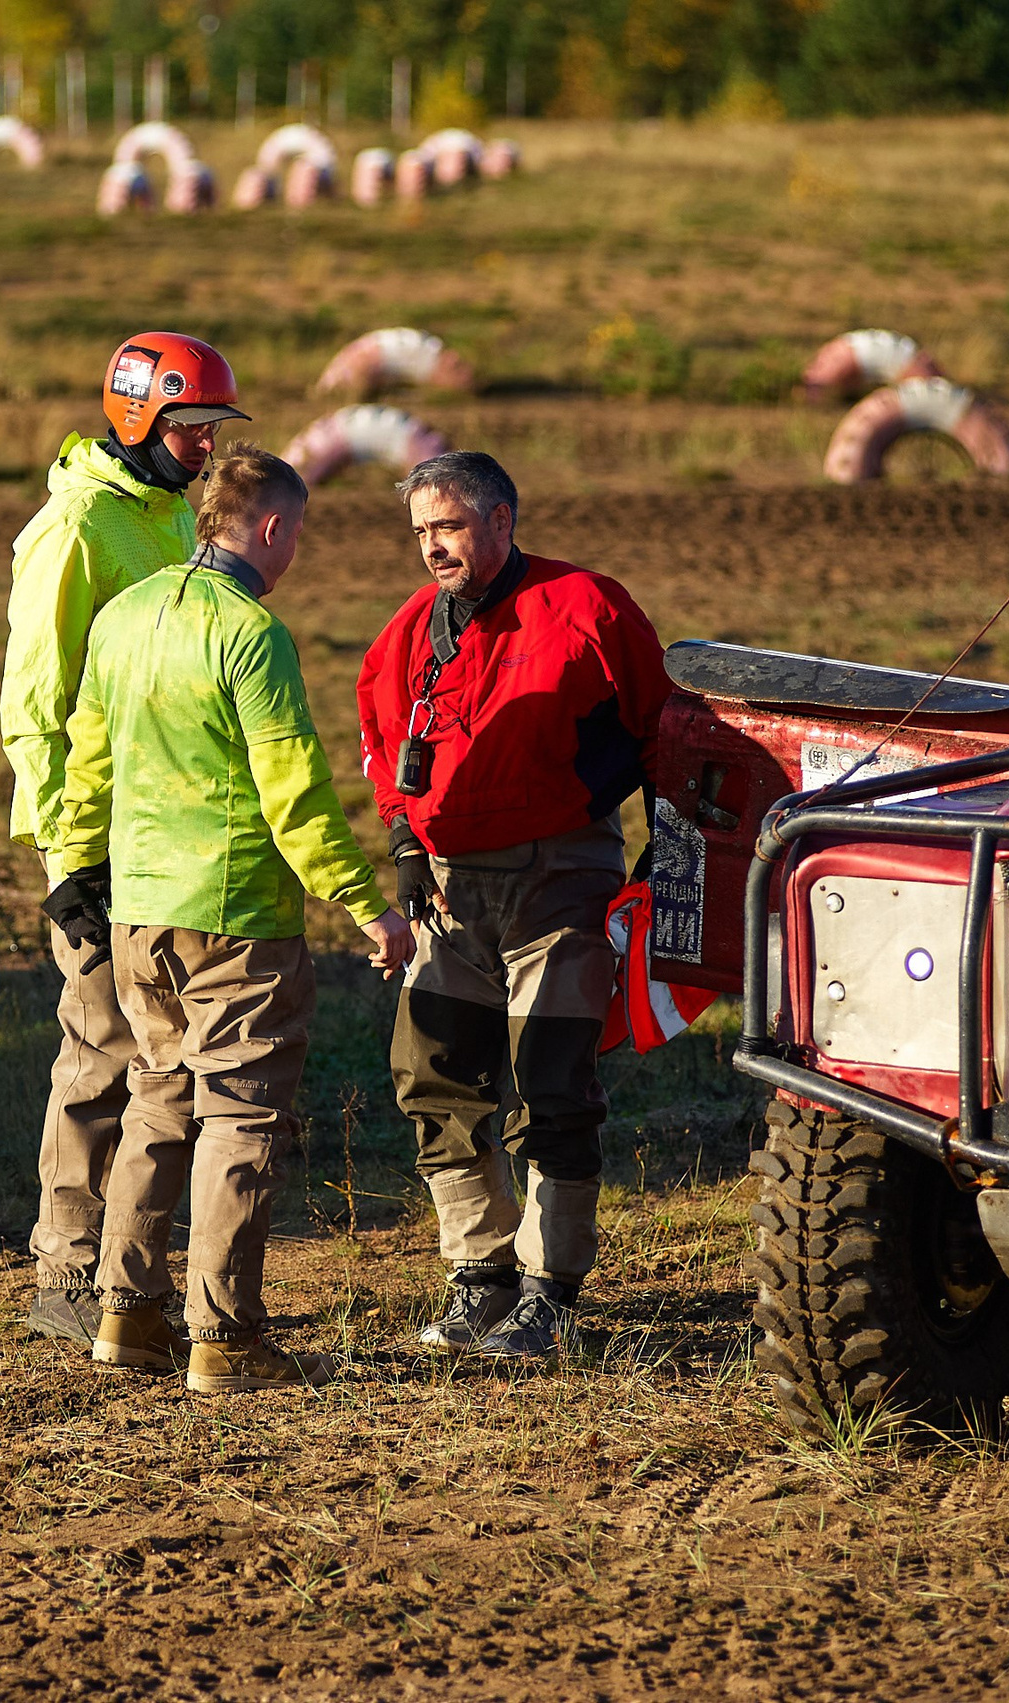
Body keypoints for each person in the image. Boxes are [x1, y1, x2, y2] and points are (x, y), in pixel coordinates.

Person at [57, 446, 414, 1394]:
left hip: (135, 913)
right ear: (270, 527)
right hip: (236, 917)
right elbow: (292, 790)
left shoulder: (125, 618)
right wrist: (364, 902)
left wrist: (73, 867)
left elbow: (83, 762)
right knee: (241, 1118)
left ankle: (125, 1315)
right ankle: (224, 1334)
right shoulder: (252, 635)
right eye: (296, 531)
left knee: (157, 1101)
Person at [354, 451, 672, 1362]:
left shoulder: (589, 606)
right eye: (420, 531)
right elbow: (381, 743)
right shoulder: (409, 630)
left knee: (553, 1083)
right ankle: (479, 1280)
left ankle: (550, 1292)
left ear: (501, 519)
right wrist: (407, 846)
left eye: (448, 527)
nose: (432, 548)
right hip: (451, 886)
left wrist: (660, 854)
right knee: (435, 1075)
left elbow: (660, 731)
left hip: (560, 878)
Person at [0, 334, 249, 1348]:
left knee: (161, 1059)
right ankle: (64, 1267)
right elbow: (35, 704)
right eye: (191, 430)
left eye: (216, 431)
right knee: (100, 1047)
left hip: (169, 835)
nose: (205, 449)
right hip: (98, 843)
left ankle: (127, 1271)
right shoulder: (75, 529)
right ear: (139, 419)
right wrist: (68, 866)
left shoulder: (167, 517)